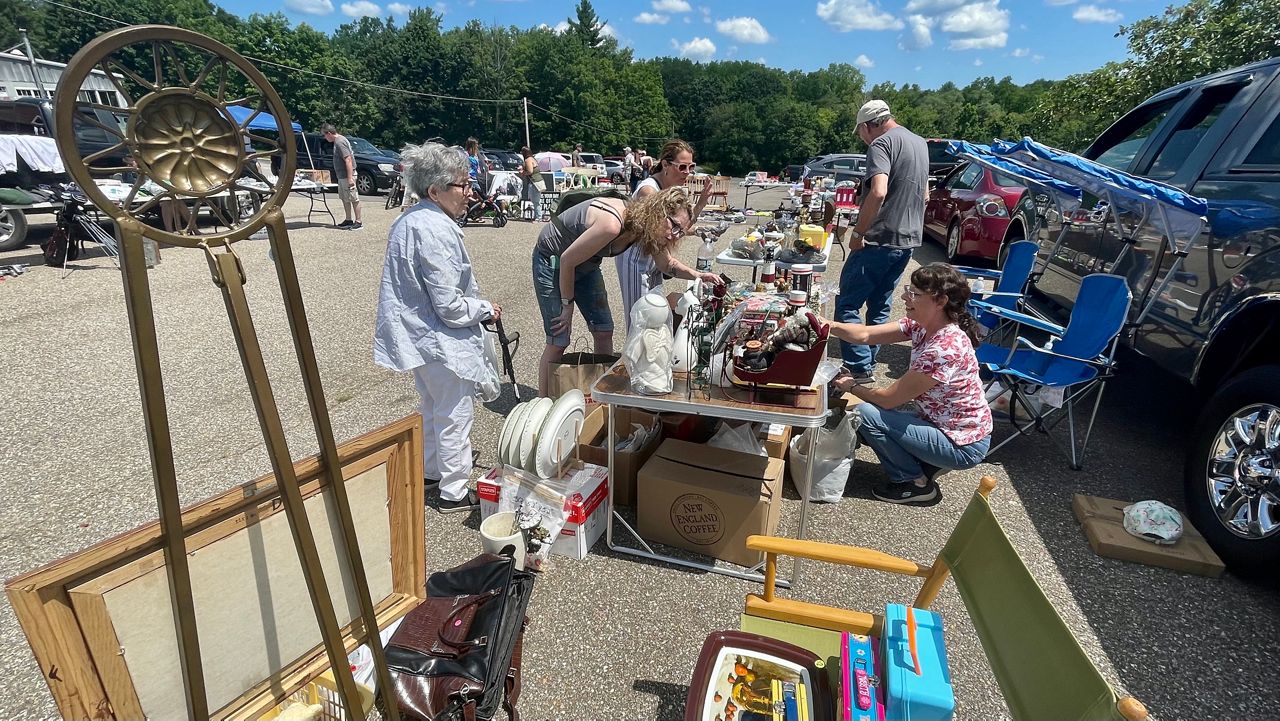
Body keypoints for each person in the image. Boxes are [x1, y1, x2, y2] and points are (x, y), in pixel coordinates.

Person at [373, 142, 501, 514]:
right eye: (462, 185)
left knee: (432, 407)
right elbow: (449, 306)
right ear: (435, 190)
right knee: (455, 414)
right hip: (439, 341)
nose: (469, 192)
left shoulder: (411, 219)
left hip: (419, 339)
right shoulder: (435, 229)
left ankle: (431, 472)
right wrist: (484, 309)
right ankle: (455, 491)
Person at [824, 263, 992, 505]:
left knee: (866, 414)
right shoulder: (922, 326)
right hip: (940, 424)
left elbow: (888, 398)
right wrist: (826, 325)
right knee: (879, 413)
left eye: (914, 294)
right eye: (907, 289)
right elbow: (864, 335)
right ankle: (927, 462)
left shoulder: (944, 349)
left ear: (941, 301)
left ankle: (914, 482)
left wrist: (851, 386)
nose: (904, 296)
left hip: (962, 444)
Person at [532, 187, 722, 397]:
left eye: (680, 231)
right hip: (553, 260)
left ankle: (600, 397)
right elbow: (567, 260)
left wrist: (698, 275)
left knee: (603, 331)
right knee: (559, 337)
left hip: (586, 263)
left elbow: (667, 265)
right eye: (674, 225)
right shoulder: (613, 224)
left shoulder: (648, 230)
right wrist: (567, 306)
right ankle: (542, 404)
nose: (673, 235)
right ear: (659, 211)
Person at [836, 99, 929, 383]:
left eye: (860, 133)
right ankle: (868, 360)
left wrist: (858, 233)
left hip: (879, 238)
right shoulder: (919, 143)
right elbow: (925, 195)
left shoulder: (881, 144)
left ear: (867, 126)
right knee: (880, 303)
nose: (862, 139)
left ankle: (859, 369)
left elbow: (878, 192)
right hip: (908, 239)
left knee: (849, 304)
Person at [615, 139, 713, 329]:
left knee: (656, 317)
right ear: (666, 164)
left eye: (691, 167)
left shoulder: (669, 189)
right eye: (682, 167)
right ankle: (635, 357)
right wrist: (698, 209)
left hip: (653, 259)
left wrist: (700, 210)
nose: (687, 172)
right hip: (636, 260)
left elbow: (677, 229)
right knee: (641, 320)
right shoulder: (649, 190)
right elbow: (669, 231)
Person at [321, 123, 361, 231]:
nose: (325, 138)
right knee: (345, 198)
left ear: (329, 133)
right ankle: (348, 219)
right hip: (342, 176)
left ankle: (358, 221)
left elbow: (348, 159)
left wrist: (350, 177)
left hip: (347, 175)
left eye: (324, 135)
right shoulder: (338, 141)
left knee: (353, 198)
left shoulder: (340, 142)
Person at [519, 146, 539, 220]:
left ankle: (538, 217)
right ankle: (536, 216)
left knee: (535, 201)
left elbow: (530, 171)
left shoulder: (528, 160)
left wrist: (523, 172)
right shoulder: (533, 158)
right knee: (534, 200)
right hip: (536, 181)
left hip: (534, 182)